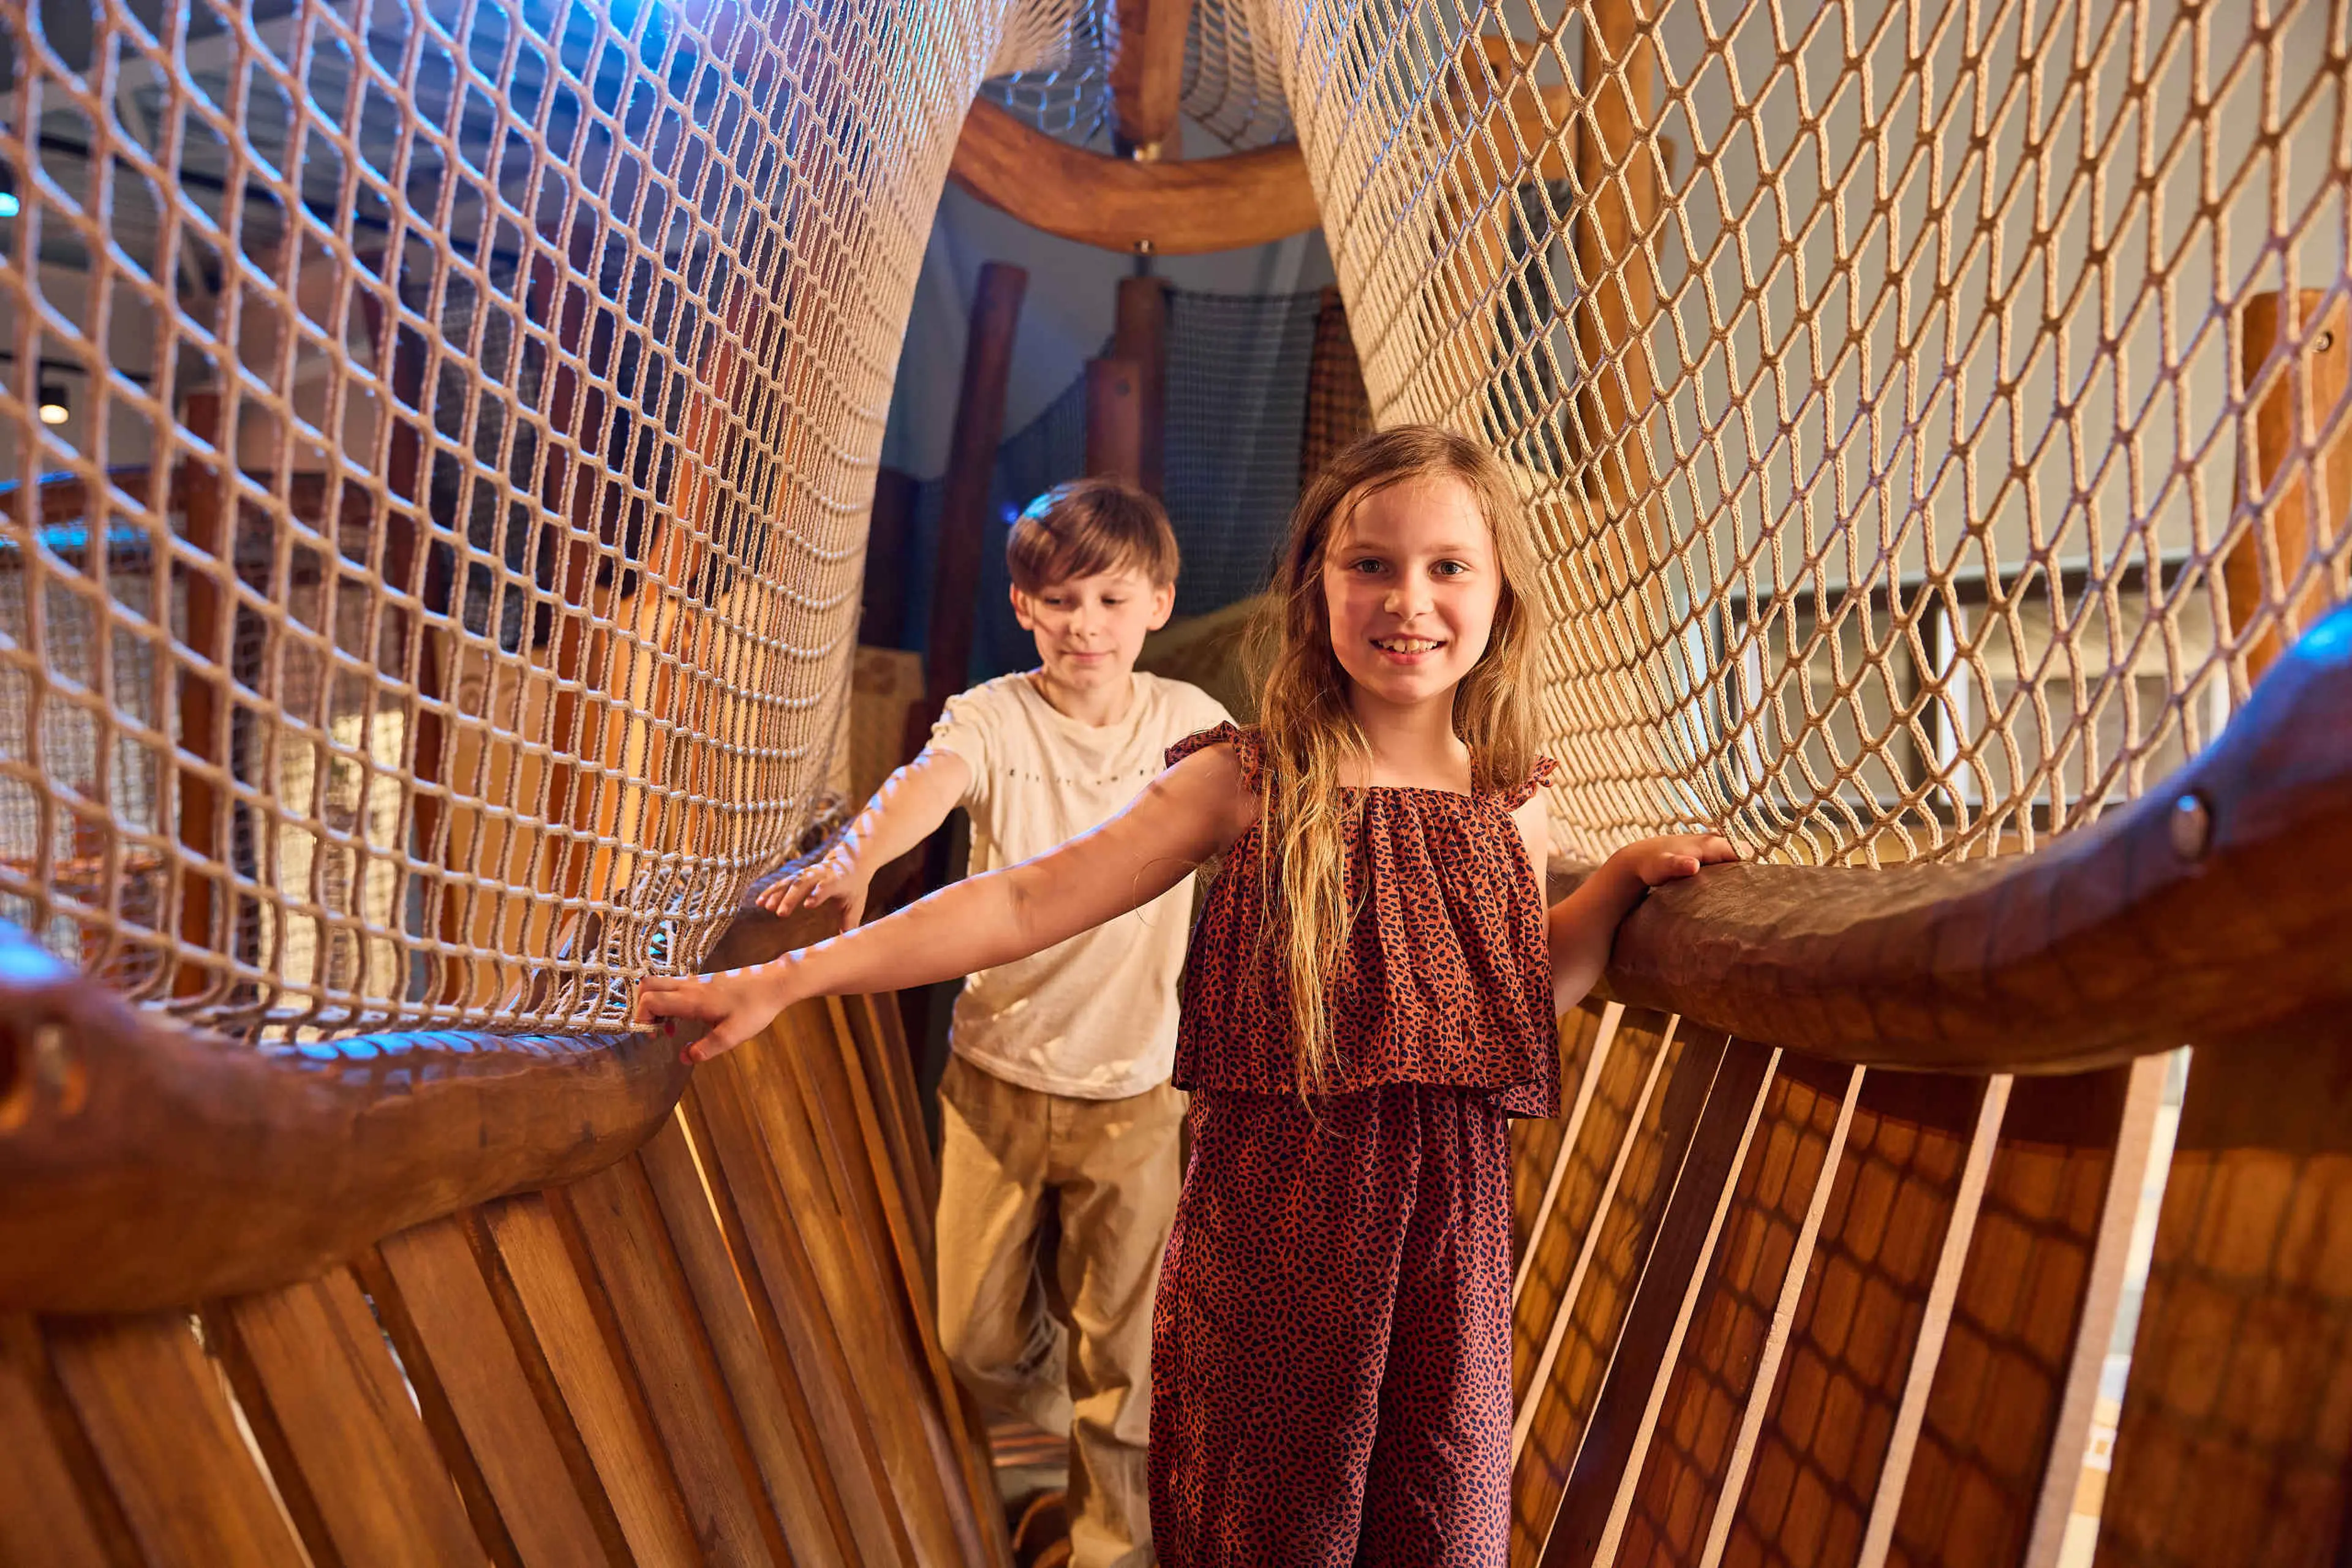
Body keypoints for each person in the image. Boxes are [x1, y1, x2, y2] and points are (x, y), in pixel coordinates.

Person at [638, 425, 1734, 1564]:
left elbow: (1501, 1006)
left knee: (1434, 1519)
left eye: (1448, 566)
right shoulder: (1251, 778)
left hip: (1443, 1254)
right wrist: (781, 978)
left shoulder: (1511, 801)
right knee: (1267, 1521)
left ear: (1502, 592)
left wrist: (1606, 895)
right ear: (1316, 588)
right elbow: (1022, 904)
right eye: (1371, 564)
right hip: (1274, 1241)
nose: (1409, 599)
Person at [755, 477, 1228, 1568]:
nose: (1086, 627)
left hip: (1135, 1097)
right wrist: (855, 857)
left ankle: (1112, 1547)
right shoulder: (996, 715)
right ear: (1025, 608)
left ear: (1157, 602)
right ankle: (1063, 1431)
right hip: (996, 1079)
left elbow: (1270, 819)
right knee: (971, 1337)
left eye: (1111, 601)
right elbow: (927, 782)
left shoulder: (1191, 726)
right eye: (1061, 602)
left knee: (1129, 1351)